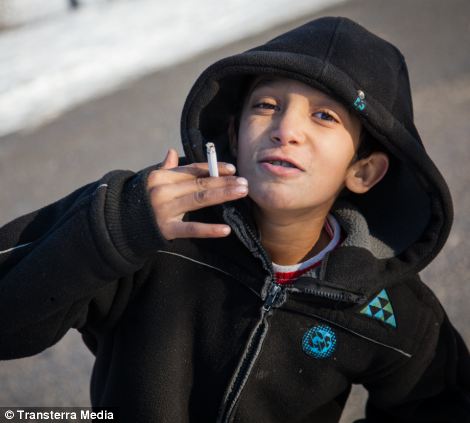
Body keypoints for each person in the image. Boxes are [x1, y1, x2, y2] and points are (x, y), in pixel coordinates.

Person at [0, 16, 469, 423]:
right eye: (267, 106)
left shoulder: (387, 304)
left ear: (363, 171)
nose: (287, 130)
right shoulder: (150, 231)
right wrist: (116, 227)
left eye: (324, 116)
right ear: (233, 135)